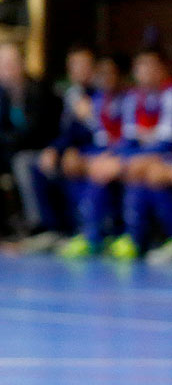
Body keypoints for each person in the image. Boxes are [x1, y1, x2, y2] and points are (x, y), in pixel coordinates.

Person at [73, 48, 172, 260]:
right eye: (141, 66)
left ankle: (142, 237)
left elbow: (165, 141)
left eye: (150, 66)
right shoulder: (134, 98)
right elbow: (130, 138)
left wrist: (135, 158)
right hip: (139, 152)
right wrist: (116, 157)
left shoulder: (168, 95)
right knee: (97, 166)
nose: (145, 71)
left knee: (149, 173)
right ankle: (94, 235)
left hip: (162, 154)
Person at [0, 40, 60, 241]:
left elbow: (34, 132)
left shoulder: (39, 90)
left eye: (10, 64)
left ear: (22, 63)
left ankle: (39, 226)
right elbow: (1, 128)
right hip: (13, 147)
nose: (6, 70)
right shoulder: (2, 94)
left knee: (21, 162)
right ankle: (0, 227)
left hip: (42, 147)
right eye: (2, 65)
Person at [22, 45, 98, 250]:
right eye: (74, 65)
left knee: (71, 166)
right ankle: (51, 229)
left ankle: (84, 230)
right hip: (71, 148)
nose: (78, 69)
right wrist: (55, 148)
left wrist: (90, 116)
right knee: (32, 163)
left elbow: (99, 133)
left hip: (93, 150)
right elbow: (66, 130)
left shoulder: (101, 95)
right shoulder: (69, 94)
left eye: (84, 64)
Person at [53, 56, 129, 258]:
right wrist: (69, 151)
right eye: (101, 74)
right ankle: (84, 231)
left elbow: (128, 137)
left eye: (110, 74)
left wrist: (112, 156)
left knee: (100, 173)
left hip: (123, 153)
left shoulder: (128, 99)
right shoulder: (95, 100)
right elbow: (79, 133)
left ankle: (111, 234)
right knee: (72, 165)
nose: (105, 78)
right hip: (98, 152)